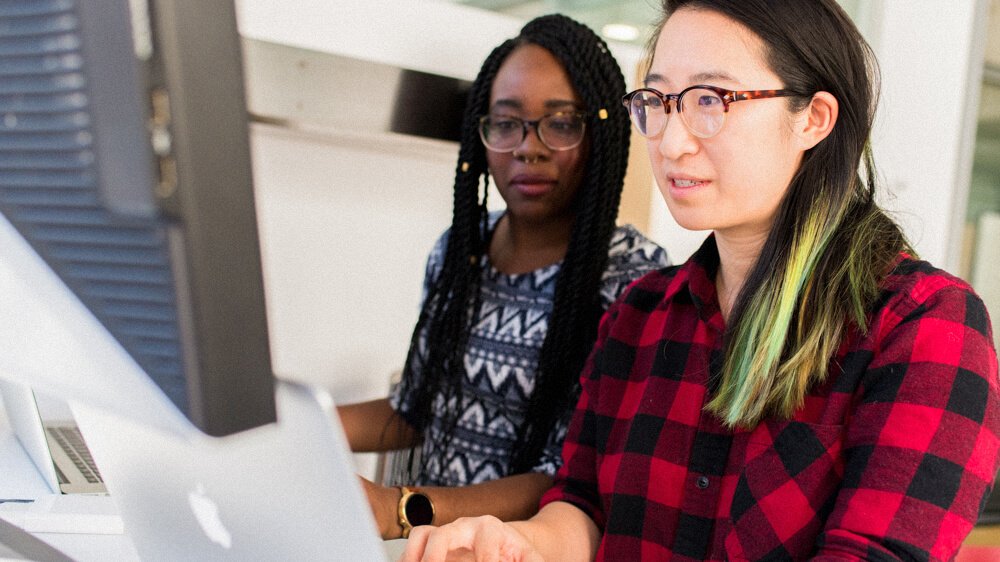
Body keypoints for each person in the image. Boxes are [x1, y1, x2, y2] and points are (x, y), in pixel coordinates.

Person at [400, 0, 1000, 560]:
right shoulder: (642, 312)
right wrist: (519, 544)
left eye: (710, 100)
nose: (672, 140)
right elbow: (581, 506)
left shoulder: (924, 325)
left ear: (813, 118)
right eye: (659, 103)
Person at [337, 14, 669, 541]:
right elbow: (416, 409)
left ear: (599, 134)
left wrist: (401, 507)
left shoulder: (633, 280)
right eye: (506, 122)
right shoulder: (458, 252)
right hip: (434, 547)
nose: (527, 147)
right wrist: (302, 423)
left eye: (560, 123)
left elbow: (571, 478)